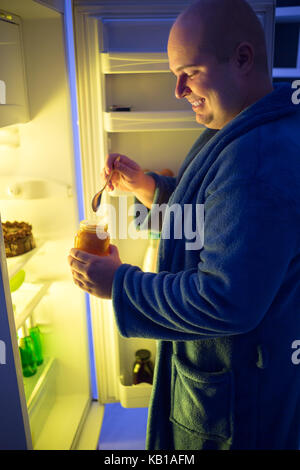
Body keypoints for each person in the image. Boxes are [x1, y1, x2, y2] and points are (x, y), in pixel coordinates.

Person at [68, 0, 300, 450]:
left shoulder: (255, 160)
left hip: (240, 406)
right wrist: (148, 188)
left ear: (243, 58)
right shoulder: (240, 127)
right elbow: (220, 218)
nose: (178, 90)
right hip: (236, 379)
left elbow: (226, 300)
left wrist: (121, 285)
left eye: (189, 71)